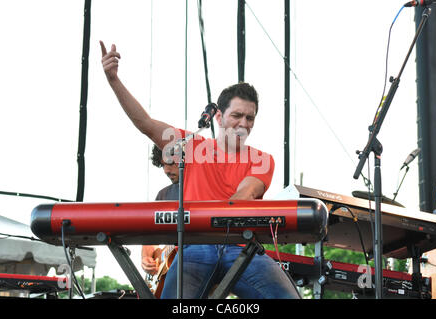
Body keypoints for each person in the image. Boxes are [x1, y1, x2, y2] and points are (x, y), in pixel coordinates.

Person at [100, 41, 300, 299]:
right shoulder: (191, 145)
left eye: (250, 118)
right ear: (218, 117)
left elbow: (245, 194)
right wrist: (113, 80)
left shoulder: (262, 158)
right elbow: (145, 123)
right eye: (237, 115)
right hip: (196, 247)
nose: (244, 123)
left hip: (241, 247)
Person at [141, 145, 179, 277]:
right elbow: (151, 237)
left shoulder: (207, 191)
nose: (166, 170)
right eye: (163, 165)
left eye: (170, 163)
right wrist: (146, 258)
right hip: (169, 271)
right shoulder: (163, 195)